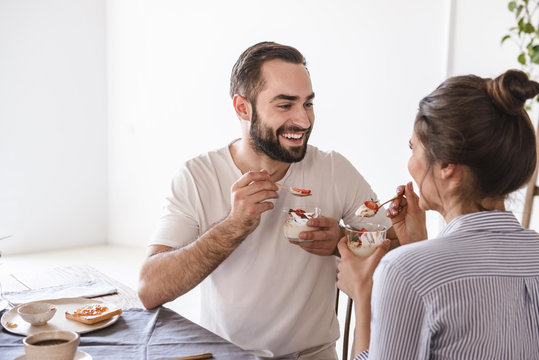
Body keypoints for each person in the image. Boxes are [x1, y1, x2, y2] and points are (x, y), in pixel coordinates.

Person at [137, 41, 393, 359]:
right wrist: (233, 226)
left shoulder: (333, 169)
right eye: (285, 106)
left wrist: (343, 239)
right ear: (243, 108)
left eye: (308, 104)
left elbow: (397, 251)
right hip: (226, 355)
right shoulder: (197, 176)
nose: (304, 121)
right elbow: (150, 288)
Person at [337, 69, 539, 359]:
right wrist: (418, 248)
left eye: (413, 148)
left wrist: (364, 296)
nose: (411, 163)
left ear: (447, 165)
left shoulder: (402, 271)